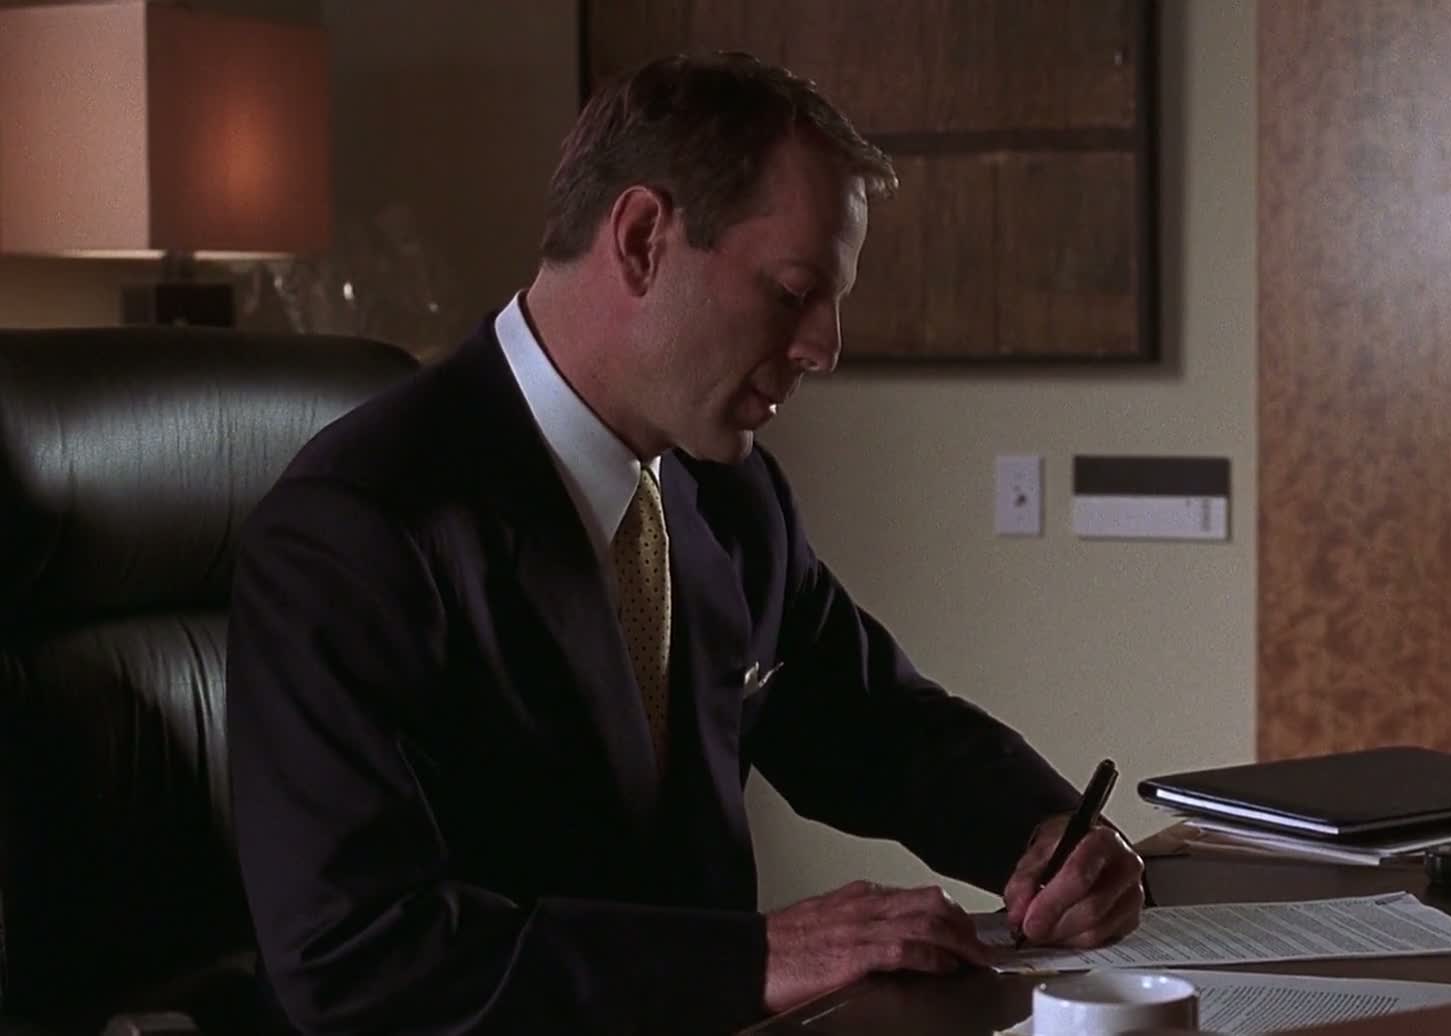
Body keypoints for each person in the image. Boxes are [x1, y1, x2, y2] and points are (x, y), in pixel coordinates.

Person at [226, 51, 1145, 1034]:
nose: (825, 347)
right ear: (641, 239)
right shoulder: (357, 528)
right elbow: (358, 956)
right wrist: (757, 958)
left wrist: (1045, 833)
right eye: (793, 291)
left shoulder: (729, 492)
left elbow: (877, 728)